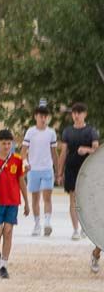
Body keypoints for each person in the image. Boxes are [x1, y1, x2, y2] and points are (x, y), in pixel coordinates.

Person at [0, 129, 29, 279]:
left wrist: (27, 202)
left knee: (8, 232)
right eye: (4, 143)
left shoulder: (17, 160)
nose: (7, 146)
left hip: (13, 201)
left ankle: (4, 266)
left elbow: (21, 181)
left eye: (9, 143)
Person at [57, 102, 100, 240]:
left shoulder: (91, 131)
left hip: (88, 170)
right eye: (74, 113)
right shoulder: (67, 131)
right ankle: (75, 229)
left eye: (79, 113)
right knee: (73, 200)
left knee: (86, 201)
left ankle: (84, 228)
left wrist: (87, 150)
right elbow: (63, 152)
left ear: (84, 114)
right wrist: (59, 172)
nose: (76, 115)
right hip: (71, 169)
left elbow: (97, 151)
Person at [21, 102, 58, 237]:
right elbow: (23, 151)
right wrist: (25, 163)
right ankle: (37, 224)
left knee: (47, 197)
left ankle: (47, 222)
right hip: (33, 170)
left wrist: (58, 171)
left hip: (47, 169)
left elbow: (54, 153)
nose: (43, 118)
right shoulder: (30, 132)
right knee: (35, 198)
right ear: (35, 116)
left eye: (45, 116)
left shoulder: (51, 133)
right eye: (41, 116)